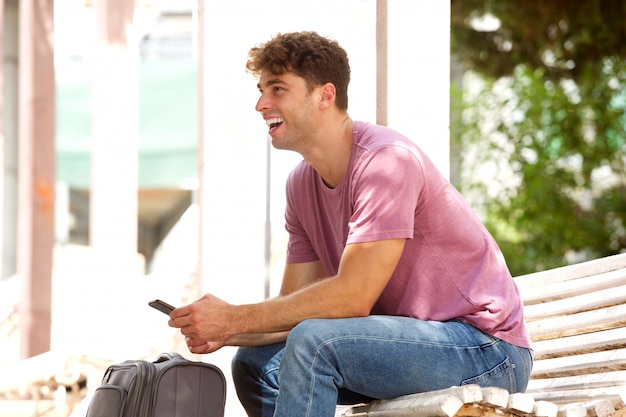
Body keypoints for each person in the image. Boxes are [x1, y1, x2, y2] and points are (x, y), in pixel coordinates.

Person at [169, 31, 533, 417]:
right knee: (255, 363)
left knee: (315, 343)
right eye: (261, 90)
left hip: (486, 351)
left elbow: (352, 297)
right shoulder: (300, 185)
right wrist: (226, 330)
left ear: (325, 95)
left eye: (277, 89)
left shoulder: (386, 161)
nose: (261, 104)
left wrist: (233, 318)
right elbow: (293, 310)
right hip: (414, 348)